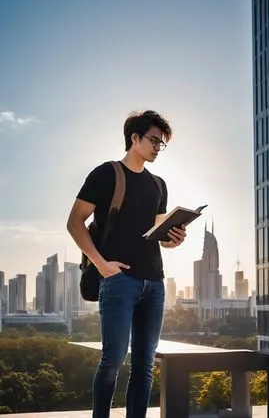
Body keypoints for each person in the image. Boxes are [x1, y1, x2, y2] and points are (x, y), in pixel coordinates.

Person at [66, 110, 186, 418]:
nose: (158, 147)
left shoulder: (159, 185)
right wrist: (102, 264)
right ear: (134, 138)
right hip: (119, 281)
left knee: (145, 367)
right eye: (153, 140)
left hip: (155, 283)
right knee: (113, 361)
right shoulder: (106, 174)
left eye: (162, 143)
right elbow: (75, 223)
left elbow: (158, 235)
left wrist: (174, 239)